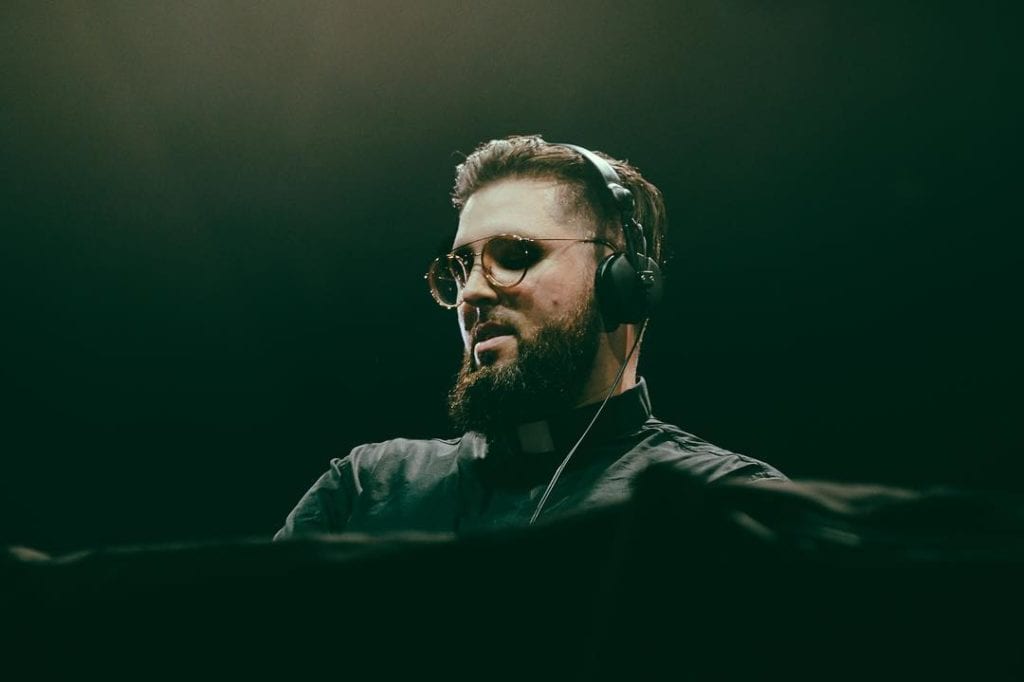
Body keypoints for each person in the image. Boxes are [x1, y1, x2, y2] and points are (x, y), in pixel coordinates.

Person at [274, 134, 785, 539]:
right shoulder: (365, 488)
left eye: (516, 255)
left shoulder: (728, 506)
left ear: (622, 283)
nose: (472, 292)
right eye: (461, 267)